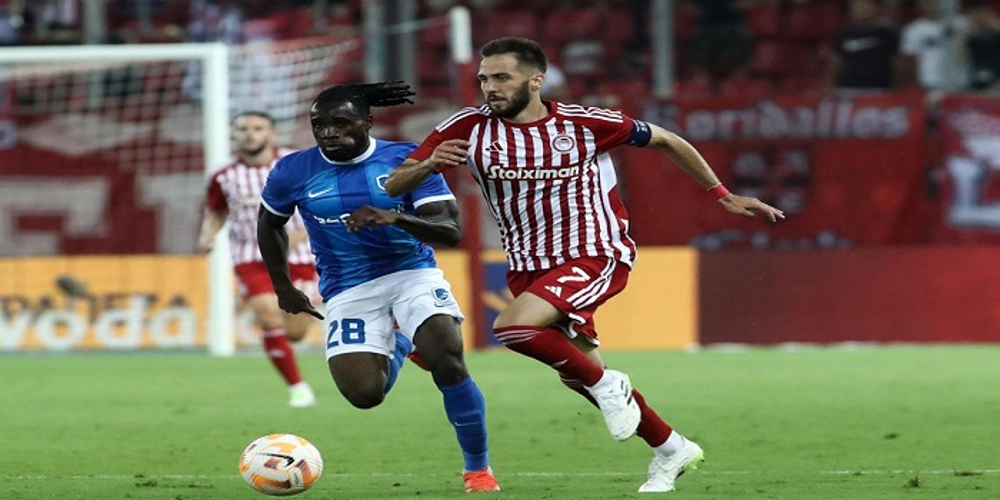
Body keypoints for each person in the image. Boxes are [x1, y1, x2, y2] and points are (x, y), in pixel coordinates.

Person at [384, 37, 784, 493]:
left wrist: (722, 194)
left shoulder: (585, 122)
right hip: (528, 265)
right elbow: (395, 183)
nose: (490, 87)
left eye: (502, 77)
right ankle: (671, 447)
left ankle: (610, 386)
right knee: (579, 375)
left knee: (514, 328)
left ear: (536, 81)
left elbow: (667, 140)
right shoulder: (466, 127)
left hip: (595, 252)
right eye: (484, 79)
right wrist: (429, 165)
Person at [255, 81, 500, 493]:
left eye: (340, 122)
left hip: (411, 274)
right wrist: (283, 287)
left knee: (448, 357)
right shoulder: (292, 170)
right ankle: (402, 342)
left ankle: (478, 469)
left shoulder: (406, 160)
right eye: (320, 125)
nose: (329, 132)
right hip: (348, 287)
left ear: (367, 122)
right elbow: (269, 224)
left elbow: (450, 231)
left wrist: (395, 217)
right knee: (365, 394)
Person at [199, 111, 318, 408]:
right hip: (250, 255)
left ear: (272, 134)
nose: (250, 134)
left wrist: (302, 233)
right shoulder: (223, 175)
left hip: (300, 256)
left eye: (258, 128)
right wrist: (208, 234)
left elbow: (321, 202)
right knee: (268, 313)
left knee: (296, 332)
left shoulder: (296, 164)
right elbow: (217, 210)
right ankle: (298, 388)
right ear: (235, 135)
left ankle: (281, 340)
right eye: (243, 129)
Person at [829, 0, 902, 90]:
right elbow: (836, 63)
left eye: (866, 5)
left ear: (877, 8)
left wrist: (896, 89)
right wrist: (831, 87)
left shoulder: (889, 35)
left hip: (880, 89)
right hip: (848, 89)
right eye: (857, 6)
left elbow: (896, 64)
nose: (862, 9)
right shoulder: (844, 35)